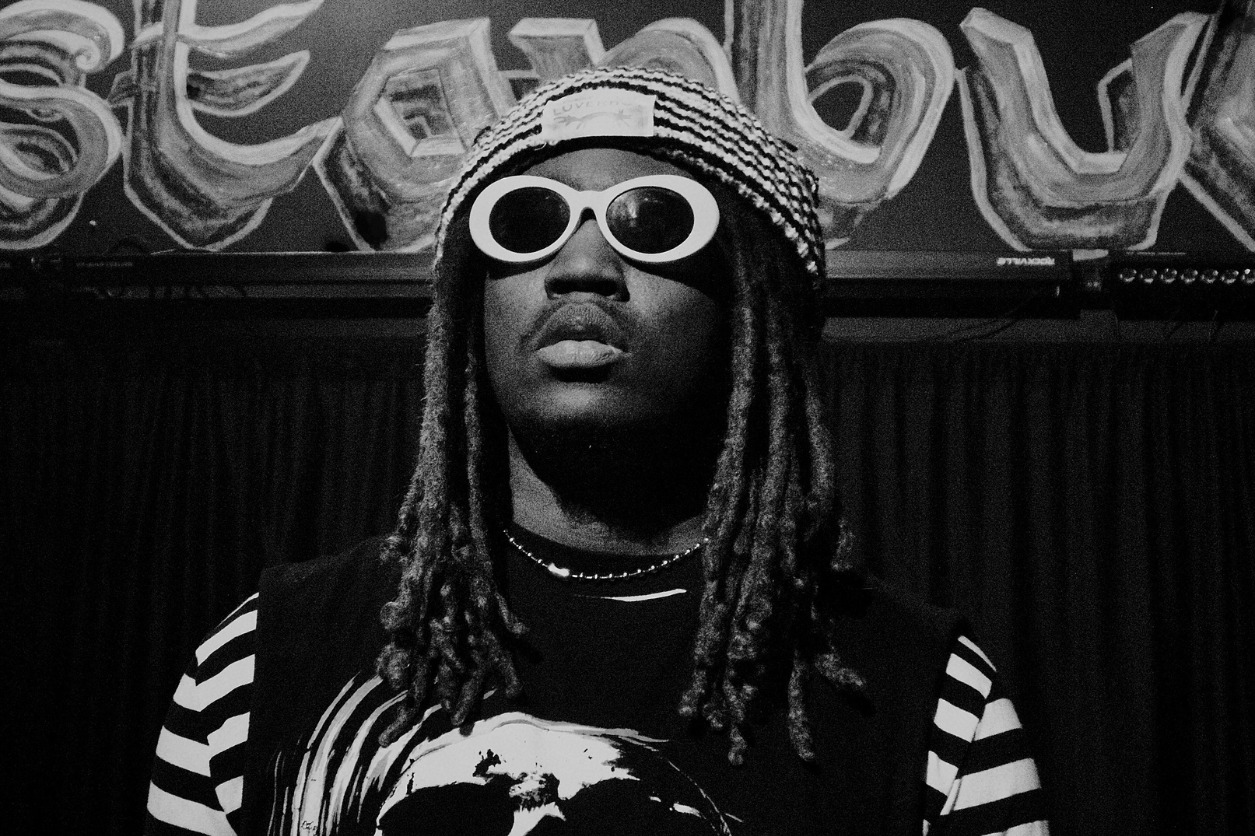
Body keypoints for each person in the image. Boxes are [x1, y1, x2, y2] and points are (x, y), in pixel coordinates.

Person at [146, 65, 1048, 835]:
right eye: (526, 220)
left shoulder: (928, 702)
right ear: (470, 302)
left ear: (754, 308)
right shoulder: (259, 664)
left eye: (652, 221)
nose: (581, 266)